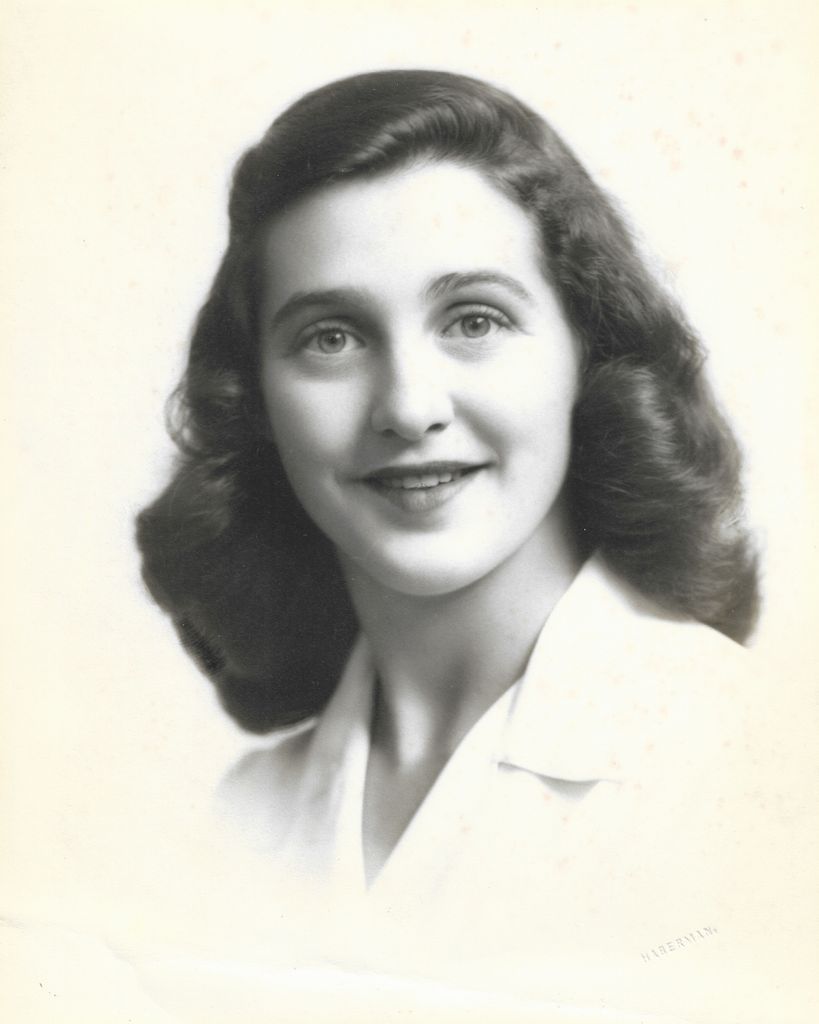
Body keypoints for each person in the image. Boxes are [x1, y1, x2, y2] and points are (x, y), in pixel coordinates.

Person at [136, 70, 793, 1017]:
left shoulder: (760, 766)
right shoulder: (239, 819)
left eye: (474, 320)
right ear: (259, 402)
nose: (408, 407)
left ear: (585, 354)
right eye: (330, 338)